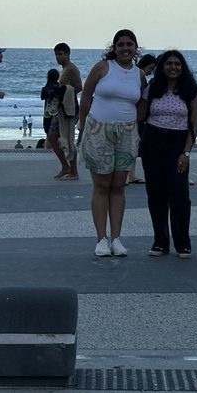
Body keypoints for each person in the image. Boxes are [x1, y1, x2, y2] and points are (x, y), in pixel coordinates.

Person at [77, 29, 146, 257]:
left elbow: (142, 104)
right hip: (99, 130)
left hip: (126, 132)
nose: (125, 48)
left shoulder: (139, 75)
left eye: (130, 44)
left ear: (136, 48)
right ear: (114, 48)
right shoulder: (102, 68)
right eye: (121, 45)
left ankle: (116, 238)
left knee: (118, 186)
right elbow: (86, 96)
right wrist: (82, 126)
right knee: (102, 186)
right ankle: (101, 239)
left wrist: (134, 125)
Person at [141, 50, 197, 258]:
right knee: (156, 193)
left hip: (178, 144)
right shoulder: (153, 88)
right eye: (168, 64)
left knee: (179, 194)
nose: (173, 67)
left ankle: (183, 242)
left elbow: (194, 123)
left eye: (177, 64)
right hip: (153, 142)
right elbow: (140, 115)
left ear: (182, 67)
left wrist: (186, 152)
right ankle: (160, 241)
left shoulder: (190, 90)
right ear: (162, 67)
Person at [52, 42, 84, 177]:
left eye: (60, 54)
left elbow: (79, 87)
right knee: (56, 138)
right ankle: (68, 168)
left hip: (68, 108)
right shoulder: (65, 69)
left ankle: (70, 169)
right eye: (56, 54)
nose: (58, 57)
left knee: (60, 138)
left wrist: (66, 94)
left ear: (67, 54)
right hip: (62, 108)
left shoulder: (71, 69)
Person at [127, 53, 157, 185]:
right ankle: (130, 175)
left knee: (131, 145)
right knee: (133, 145)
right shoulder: (140, 75)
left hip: (131, 113)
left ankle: (130, 175)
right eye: (151, 68)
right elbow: (143, 95)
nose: (151, 71)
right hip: (136, 114)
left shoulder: (132, 72)